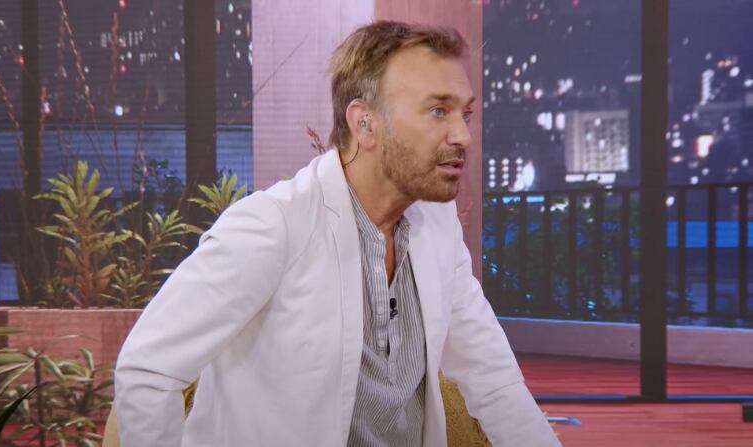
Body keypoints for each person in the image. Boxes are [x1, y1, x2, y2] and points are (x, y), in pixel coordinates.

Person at [114, 20, 561, 447]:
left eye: (465, 113)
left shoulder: (437, 224)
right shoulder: (273, 225)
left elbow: (493, 381)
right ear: (364, 123)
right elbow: (148, 371)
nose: (463, 135)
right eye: (438, 111)